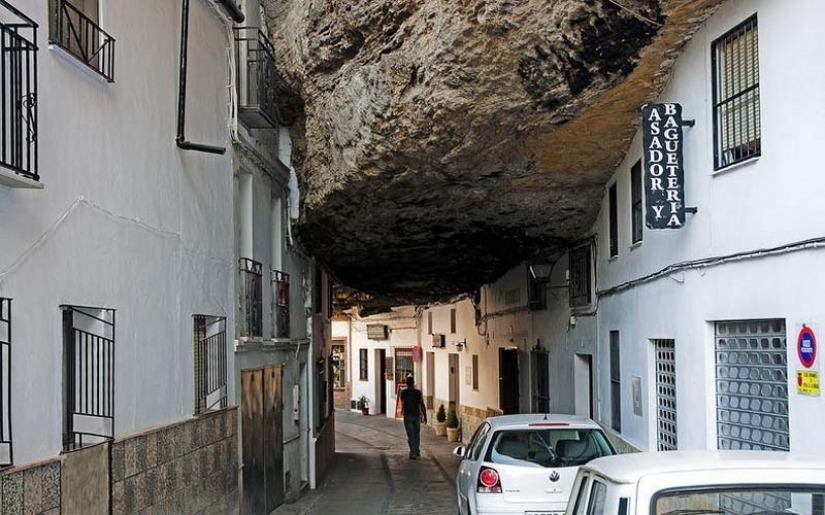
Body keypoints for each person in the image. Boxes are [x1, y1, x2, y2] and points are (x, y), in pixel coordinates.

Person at [399, 375, 427, 459]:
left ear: (406, 383)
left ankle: (413, 453)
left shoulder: (403, 392)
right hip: (416, 415)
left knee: (410, 435)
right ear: (413, 383)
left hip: (407, 415)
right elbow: (422, 404)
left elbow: (403, 403)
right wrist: (425, 415)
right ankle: (417, 450)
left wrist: (402, 411)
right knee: (416, 434)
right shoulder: (418, 392)